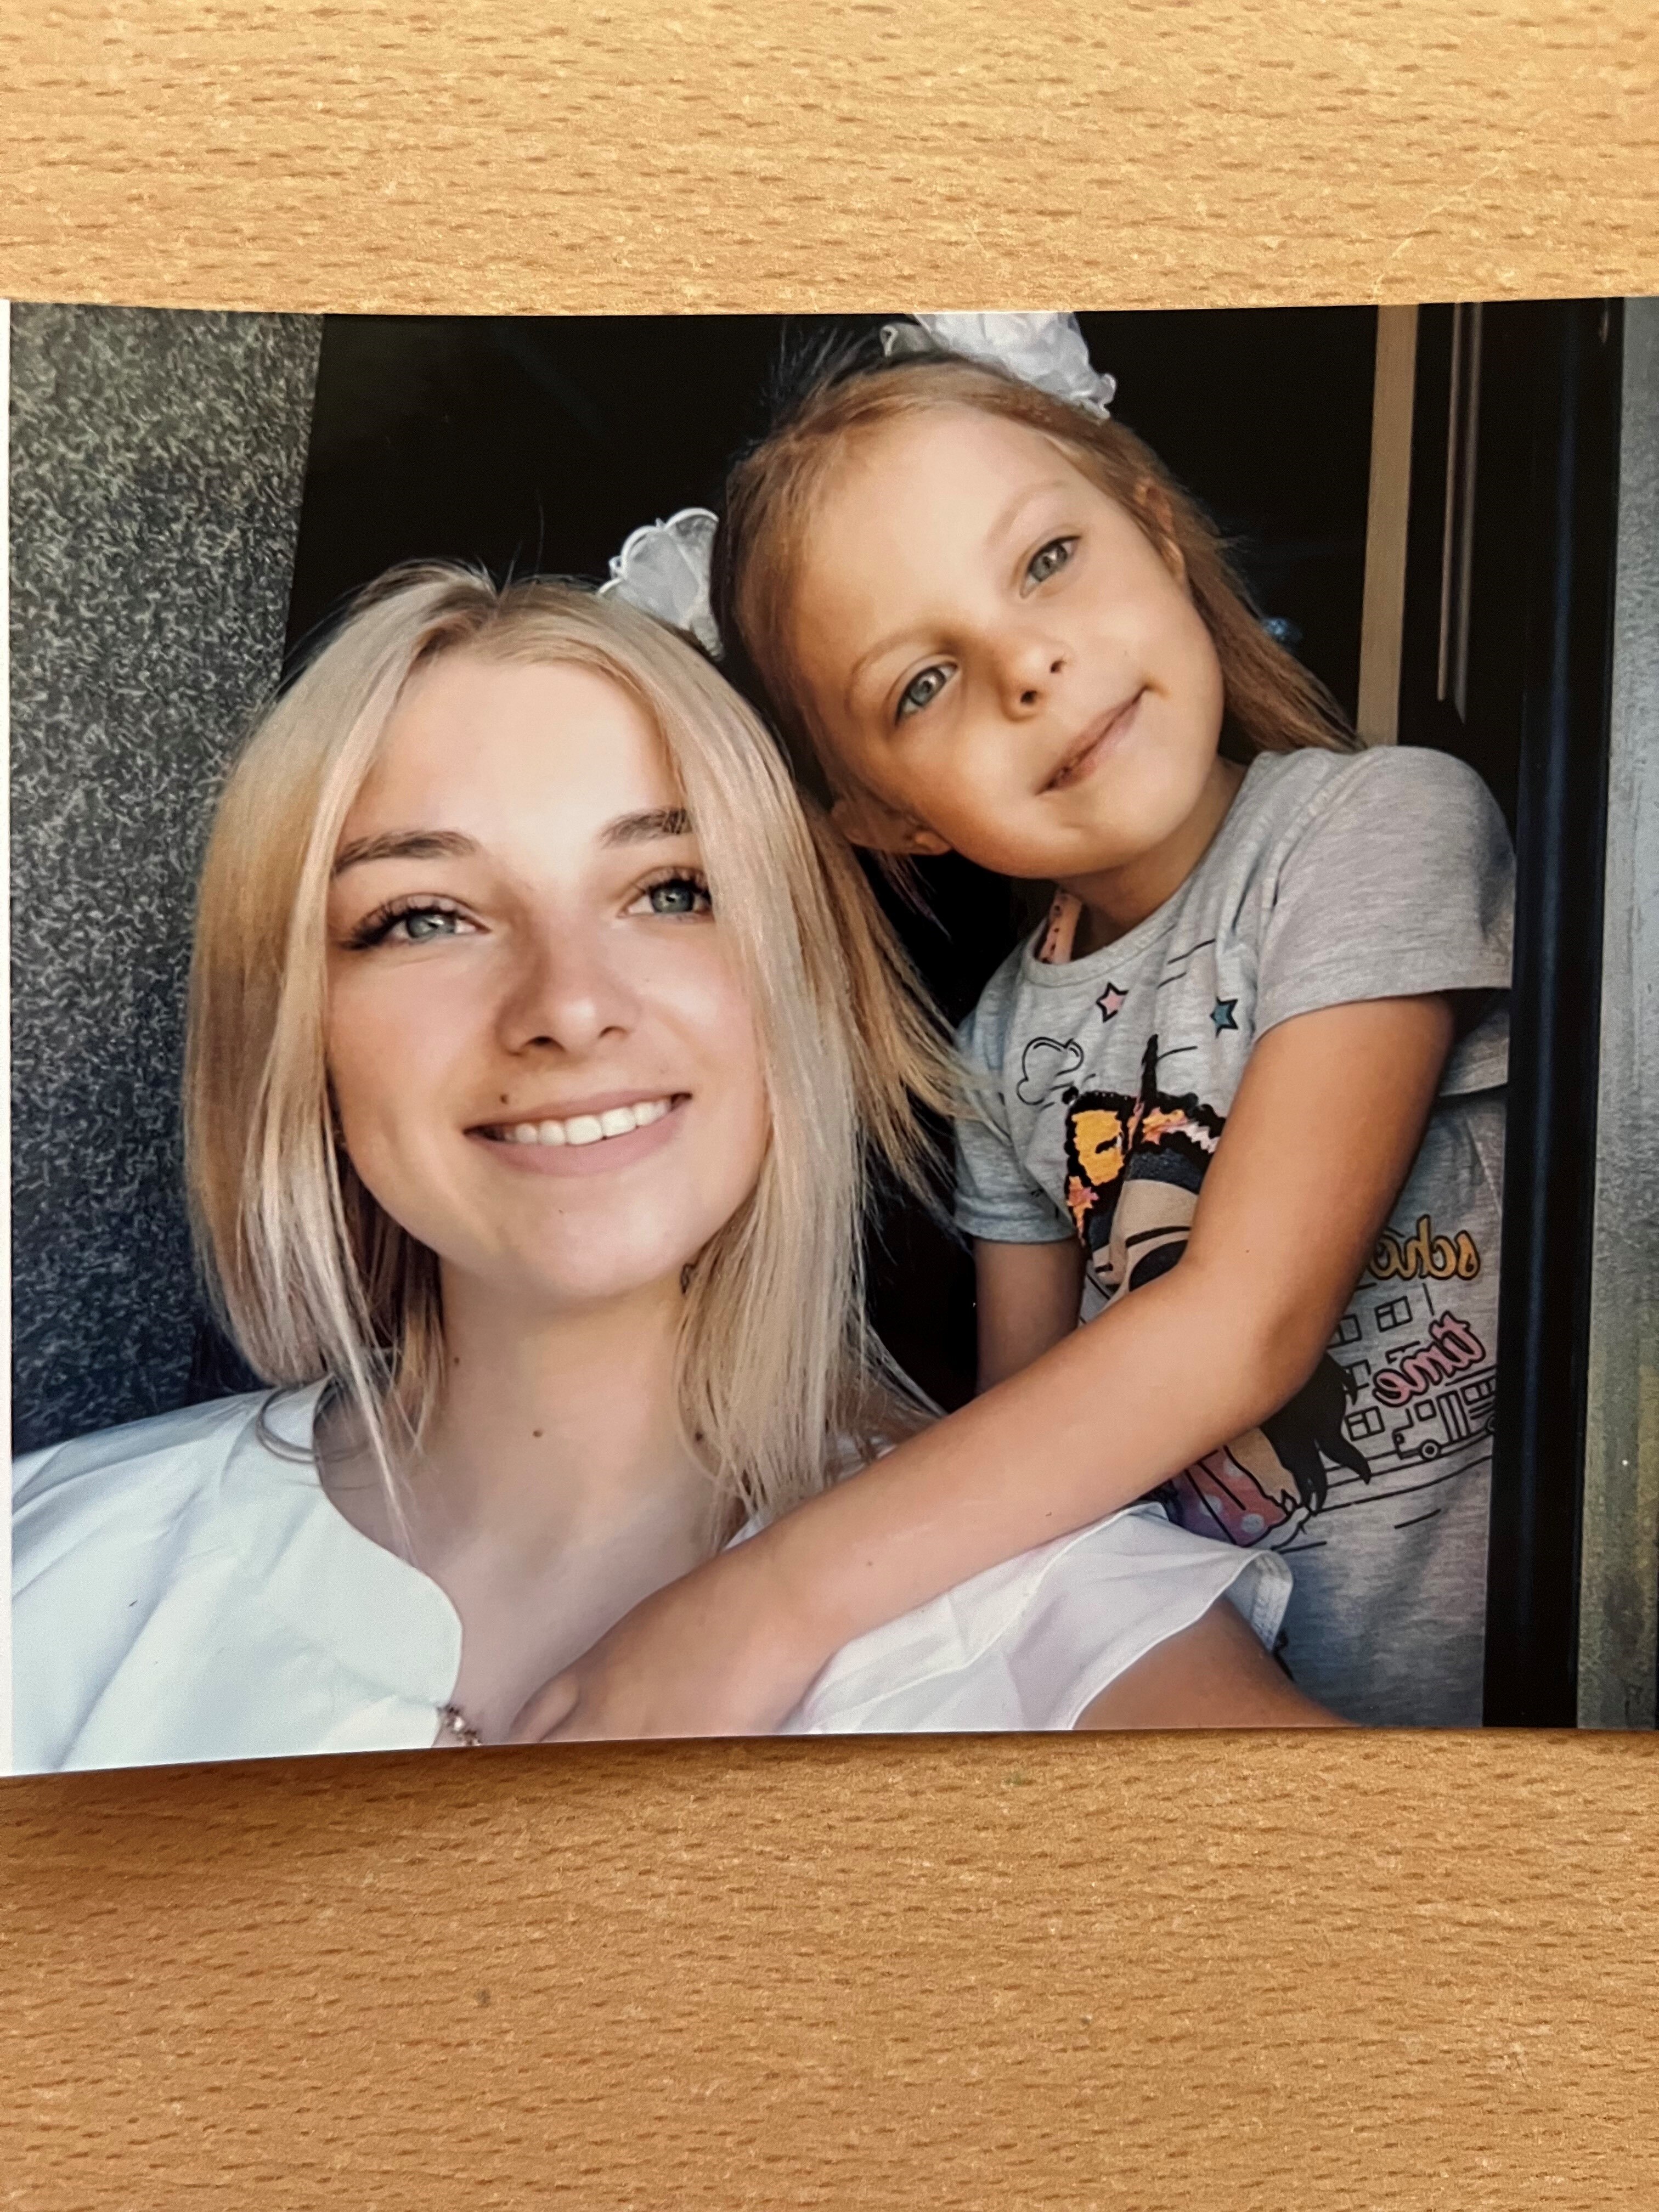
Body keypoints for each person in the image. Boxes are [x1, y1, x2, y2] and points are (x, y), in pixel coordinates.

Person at [10, 567, 1331, 1774]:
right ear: (295, 1025)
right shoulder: (48, 1574)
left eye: (671, 890)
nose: (571, 1005)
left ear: (795, 984)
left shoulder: (1091, 1661)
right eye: (423, 917)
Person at [513, 315, 1512, 1742]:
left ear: (1158, 536)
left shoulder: (1384, 825)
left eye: (1048, 561)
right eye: (923, 684)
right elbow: (1035, 1468)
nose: (1029, 668)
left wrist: (771, 1600)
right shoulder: (996, 1047)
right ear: (885, 815)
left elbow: (1246, 1324)